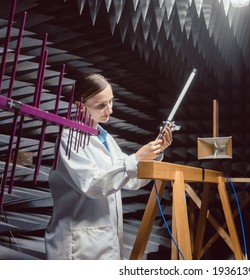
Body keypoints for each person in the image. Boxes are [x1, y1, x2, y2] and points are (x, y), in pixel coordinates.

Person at [44, 73, 173, 260]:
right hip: (80, 244)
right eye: (101, 105)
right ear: (81, 106)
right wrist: (136, 158)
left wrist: (154, 153)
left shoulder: (106, 138)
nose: (110, 110)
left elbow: (130, 180)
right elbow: (93, 185)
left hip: (105, 239)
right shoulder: (68, 139)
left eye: (111, 102)